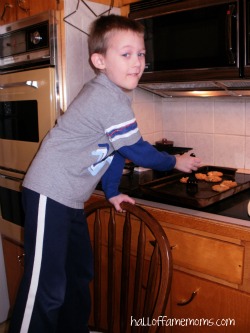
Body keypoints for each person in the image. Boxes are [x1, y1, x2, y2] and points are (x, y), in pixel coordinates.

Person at [8, 14, 201, 333]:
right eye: (126, 54)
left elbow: (117, 150)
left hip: (67, 200)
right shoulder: (105, 96)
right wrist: (174, 161)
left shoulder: (116, 98)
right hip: (48, 193)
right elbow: (136, 150)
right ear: (99, 60)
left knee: (78, 275)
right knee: (45, 288)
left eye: (140, 53)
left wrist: (111, 192)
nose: (138, 61)